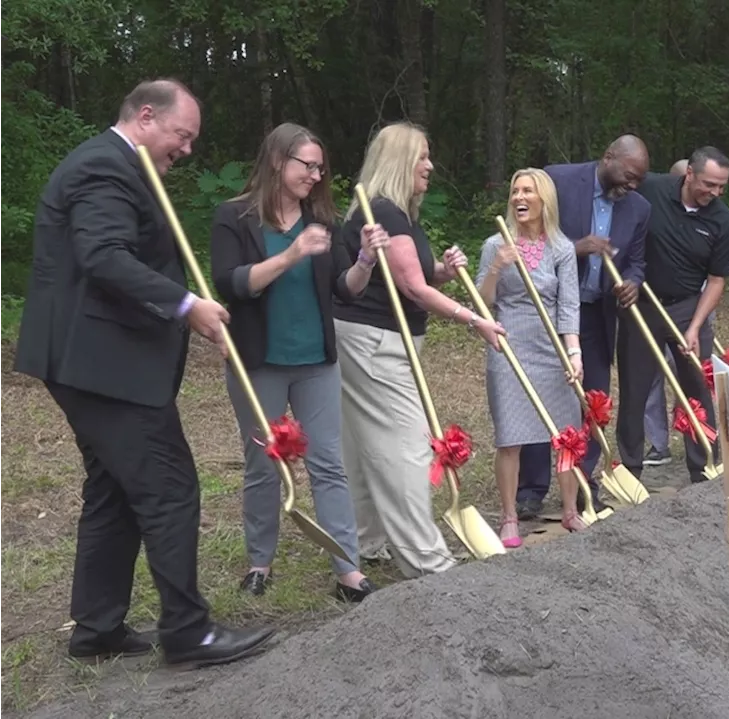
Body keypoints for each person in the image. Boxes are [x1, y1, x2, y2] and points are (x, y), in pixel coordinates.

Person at [13, 78, 275, 667]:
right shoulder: (104, 168)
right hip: (102, 365)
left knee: (114, 489)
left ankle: (97, 628)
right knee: (169, 486)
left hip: (94, 362)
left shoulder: (115, 166)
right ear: (146, 116)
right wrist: (186, 306)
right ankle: (188, 632)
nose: (186, 149)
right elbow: (104, 257)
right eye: (182, 135)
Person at [209, 122, 388, 602]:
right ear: (276, 161)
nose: (315, 175)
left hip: (317, 362)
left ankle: (348, 571)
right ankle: (259, 563)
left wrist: (366, 261)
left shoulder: (323, 221)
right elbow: (232, 284)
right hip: (259, 361)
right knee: (263, 465)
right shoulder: (233, 218)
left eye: (320, 168)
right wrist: (291, 254)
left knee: (328, 463)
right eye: (306, 165)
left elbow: (342, 291)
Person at [332, 120, 505, 578]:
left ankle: (366, 540)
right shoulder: (383, 212)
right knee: (405, 446)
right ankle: (426, 561)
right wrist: (474, 319)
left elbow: (419, 274)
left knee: (366, 444)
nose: (430, 165)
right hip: (375, 343)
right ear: (400, 162)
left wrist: (444, 270)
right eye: (422, 157)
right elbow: (411, 286)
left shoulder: (396, 214)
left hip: (370, 340)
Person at [513, 135, 652, 520]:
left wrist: (633, 283)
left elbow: (637, 261)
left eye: (639, 179)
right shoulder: (555, 181)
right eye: (628, 176)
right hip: (549, 310)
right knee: (542, 393)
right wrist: (575, 248)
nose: (633, 186)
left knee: (592, 398)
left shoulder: (638, 208)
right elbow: (526, 244)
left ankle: (583, 479)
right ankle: (532, 488)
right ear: (608, 158)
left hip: (595, 314)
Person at [476, 168, 586, 545]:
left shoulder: (562, 248)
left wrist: (573, 352)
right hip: (509, 345)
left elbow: (569, 304)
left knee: (566, 434)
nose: (519, 197)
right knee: (510, 436)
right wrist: (497, 267)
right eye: (515, 191)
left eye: (528, 191)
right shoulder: (495, 244)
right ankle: (509, 517)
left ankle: (570, 510)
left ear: (544, 200)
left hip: (551, 346)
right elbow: (482, 302)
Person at [618, 146, 729, 484]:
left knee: (697, 387)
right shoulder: (651, 189)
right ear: (689, 174)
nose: (714, 193)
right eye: (708, 184)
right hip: (641, 305)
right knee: (634, 389)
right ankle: (631, 471)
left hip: (688, 307)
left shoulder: (723, 220)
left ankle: (703, 466)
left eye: (721, 187)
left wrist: (696, 326)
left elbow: (716, 282)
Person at [640, 158, 692, 467]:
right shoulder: (649, 212)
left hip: (687, 306)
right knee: (650, 376)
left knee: (686, 372)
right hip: (648, 303)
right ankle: (658, 443)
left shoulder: (703, 218)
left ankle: (695, 434)